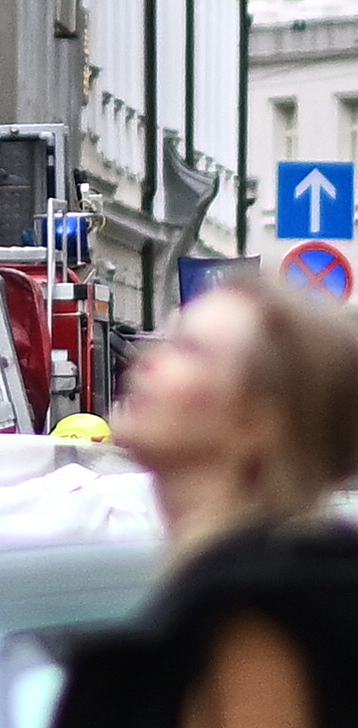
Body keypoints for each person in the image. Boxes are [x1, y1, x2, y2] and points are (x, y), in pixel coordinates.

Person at [54, 280, 358, 728]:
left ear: (259, 421)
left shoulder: (257, 607)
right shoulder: (253, 587)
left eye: (189, 349)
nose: (145, 361)